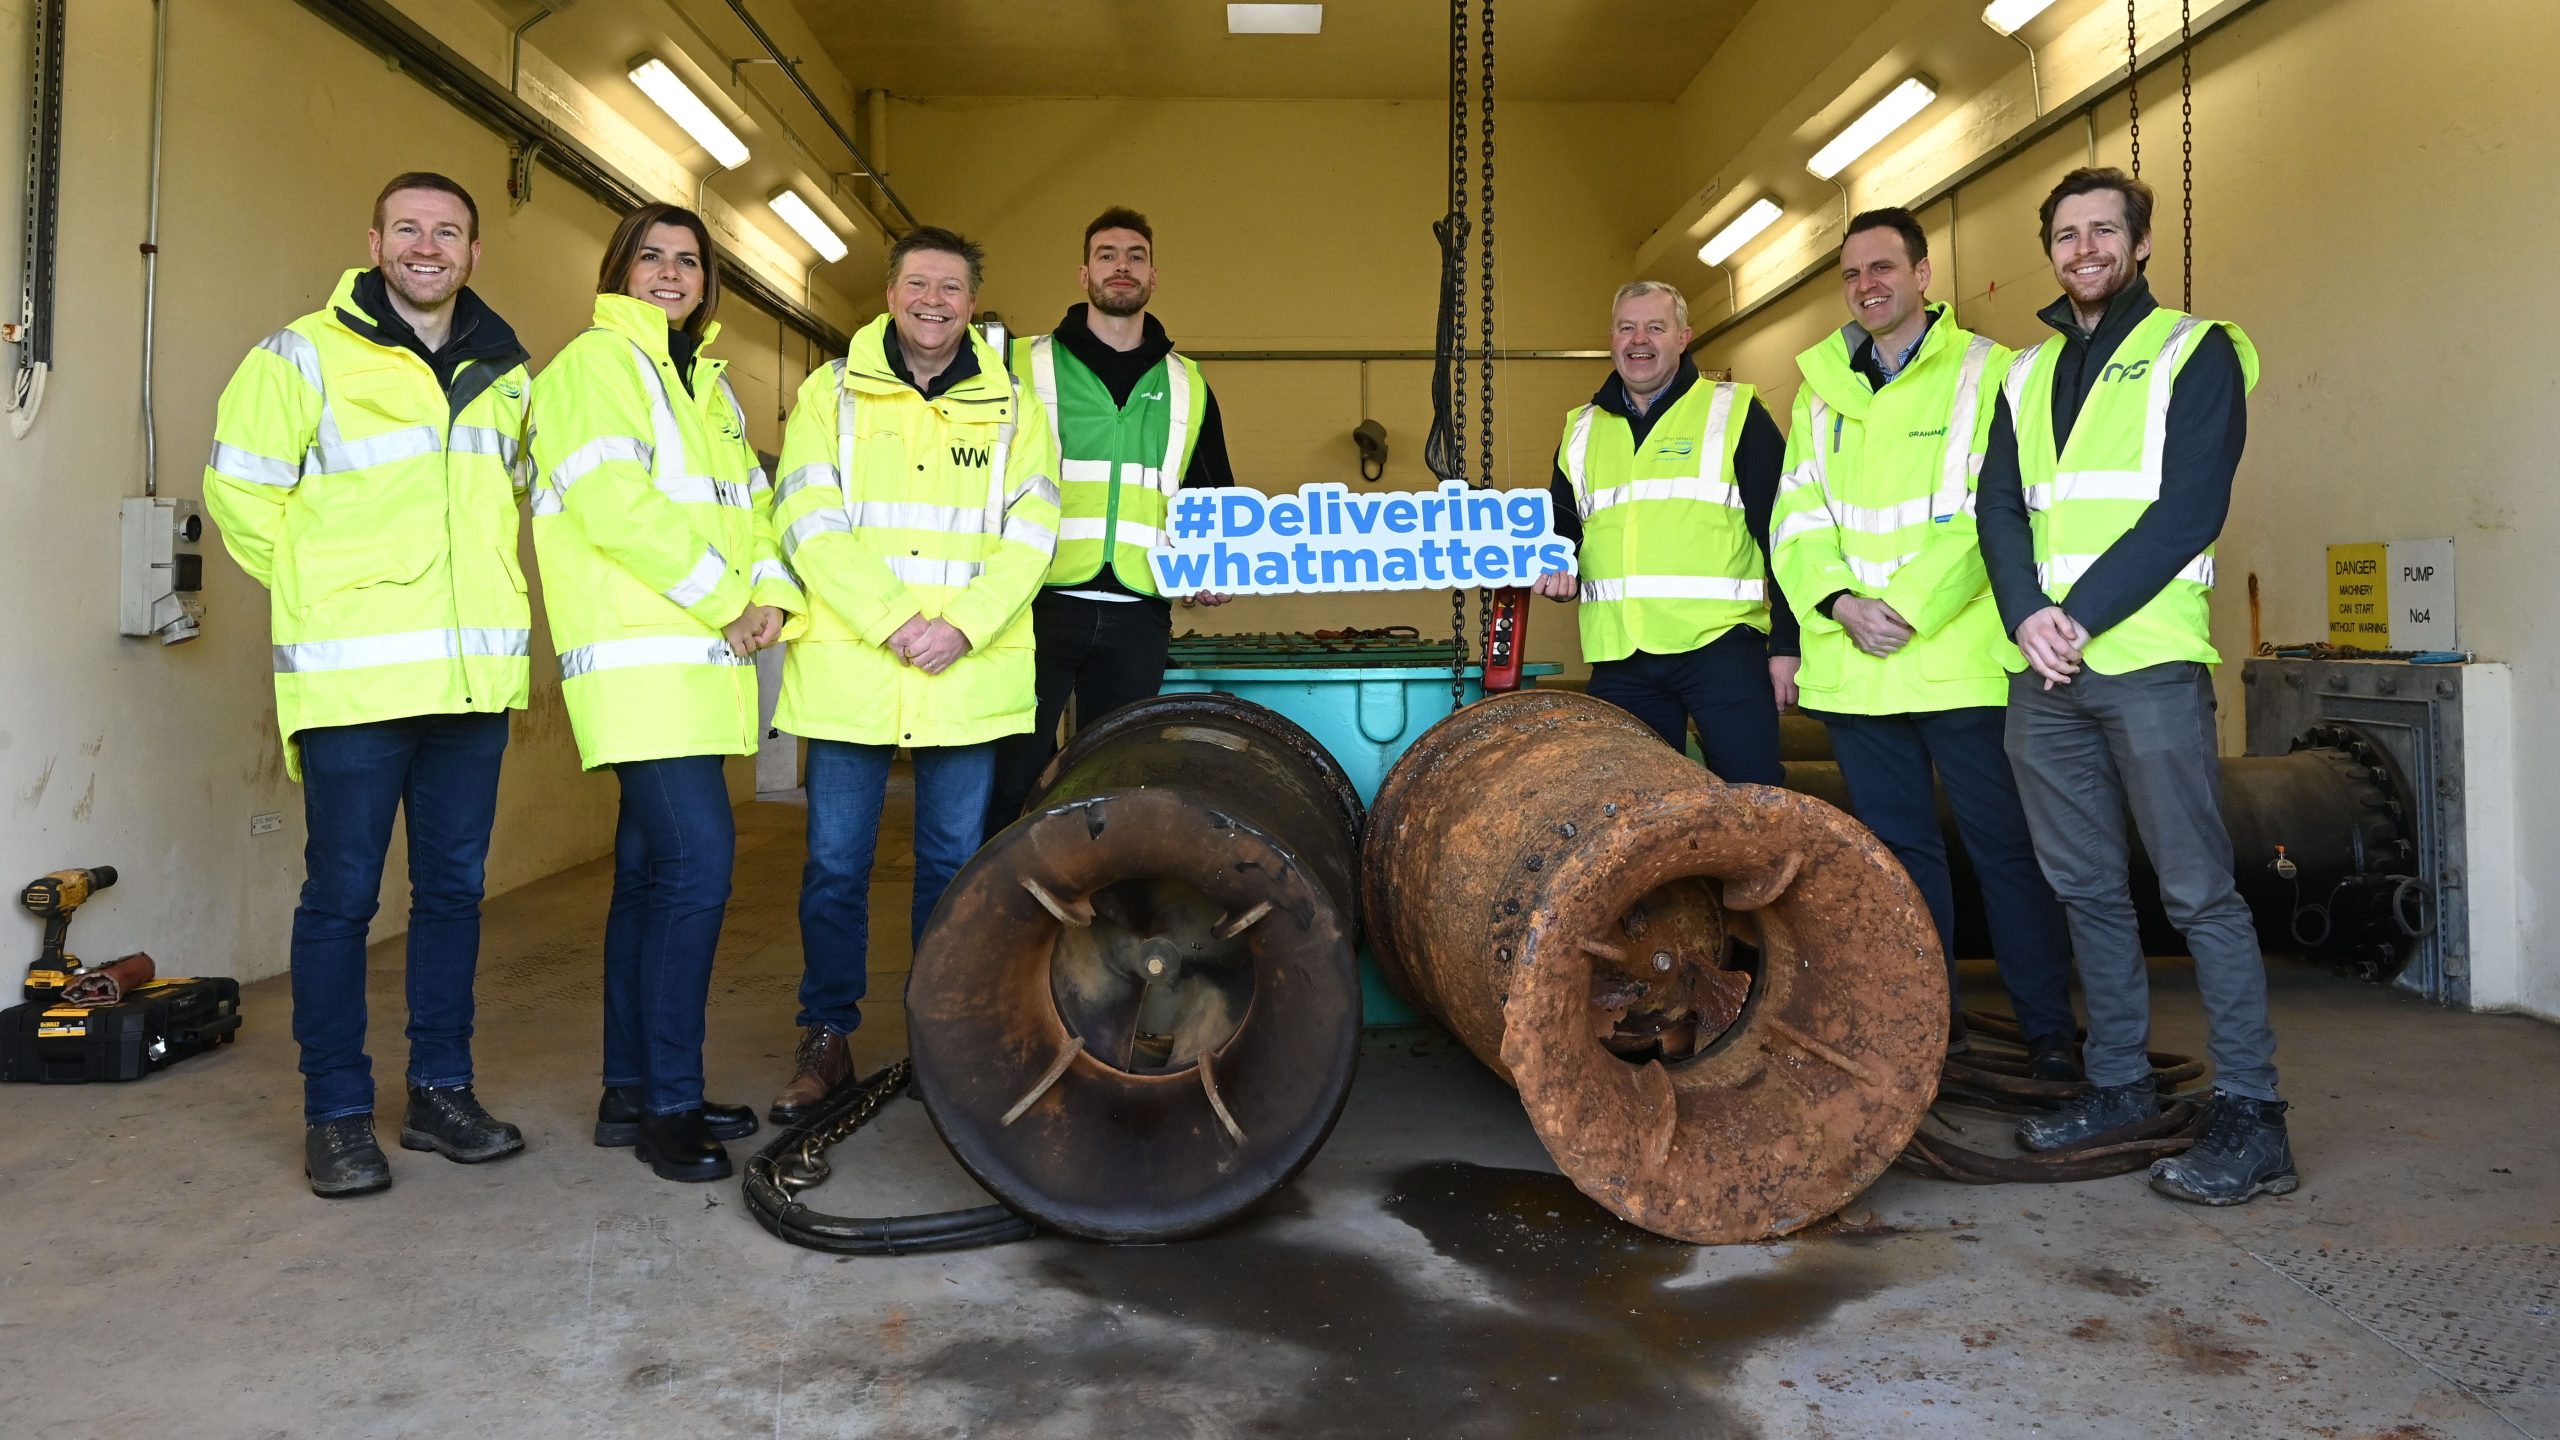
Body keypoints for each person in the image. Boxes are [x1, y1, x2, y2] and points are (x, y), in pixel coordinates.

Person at [205, 173, 533, 1198]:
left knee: (452, 894)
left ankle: (440, 1091)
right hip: (354, 684)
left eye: (448, 232)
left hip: (469, 685)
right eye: (408, 229)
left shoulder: (507, 369)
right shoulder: (300, 354)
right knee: (342, 899)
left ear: (473, 252)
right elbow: (240, 490)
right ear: (374, 241)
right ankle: (337, 1113)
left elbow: (517, 499)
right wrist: (324, 592)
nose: (426, 246)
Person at [1975, 167, 2289, 1204]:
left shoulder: (2194, 353)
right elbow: (1999, 513)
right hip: (2045, 672)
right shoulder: (2022, 376)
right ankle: (2116, 1085)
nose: (2083, 249)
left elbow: (2187, 507)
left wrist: (2076, 614)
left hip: (2145, 660)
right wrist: (2027, 615)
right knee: (2083, 888)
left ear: (2140, 243)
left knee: (2197, 890)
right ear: (2052, 251)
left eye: (2103, 230)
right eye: (2065, 234)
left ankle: (2253, 1114)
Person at [529, 203, 804, 1183]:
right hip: (641, 664)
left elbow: (753, 510)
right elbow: (617, 509)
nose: (670, 273)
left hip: (698, 667)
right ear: (617, 269)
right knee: (697, 868)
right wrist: (730, 599)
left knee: (650, 880)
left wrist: (769, 589)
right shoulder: (590, 369)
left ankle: (628, 1090)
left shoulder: (708, 391)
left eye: (687, 260)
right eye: (650, 256)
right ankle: (669, 1107)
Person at [1771, 208, 2079, 1074]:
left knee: (2005, 849)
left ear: (1923, 275)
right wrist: (1837, 601)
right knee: (1898, 862)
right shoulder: (1818, 390)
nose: (1868, 284)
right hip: (1858, 674)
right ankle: (1927, 1028)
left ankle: (2049, 1031)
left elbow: (1997, 510)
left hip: (1957, 664)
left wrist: (1898, 608)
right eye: (1853, 274)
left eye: (1883, 267)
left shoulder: (1990, 373)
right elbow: (1794, 520)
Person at [766, 227, 1060, 1120]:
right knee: (834, 866)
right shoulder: (829, 396)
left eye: (953, 288)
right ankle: (827, 1037)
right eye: (918, 284)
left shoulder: (1015, 407)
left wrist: (961, 629)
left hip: (963, 676)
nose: (934, 301)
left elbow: (1034, 530)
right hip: (858, 670)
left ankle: (943, 1035)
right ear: (890, 294)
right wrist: (897, 622)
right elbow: (806, 518)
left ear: (973, 304)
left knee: (952, 867)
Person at [982, 206, 1237, 834]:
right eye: (1106, 255)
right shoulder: (1019, 365)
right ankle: (999, 918)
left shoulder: (1189, 385)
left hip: (1139, 611)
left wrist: (1214, 564)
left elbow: (1213, 495)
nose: (1120, 267)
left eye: (1134, 256)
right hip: (1034, 600)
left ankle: (1099, 917)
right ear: (1083, 273)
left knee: (1121, 779)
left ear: (1153, 276)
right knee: (1009, 776)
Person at [1537, 280, 1797, 782]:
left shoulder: (1734, 411)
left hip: (1721, 648)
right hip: (1622, 656)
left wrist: (1788, 644)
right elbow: (1561, 524)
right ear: (1611, 338)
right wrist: (1554, 564)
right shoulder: (1580, 427)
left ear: (1683, 337)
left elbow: (1783, 533)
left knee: (1754, 799)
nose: (1640, 340)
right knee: (1630, 811)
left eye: (1655, 327)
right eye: (1627, 327)